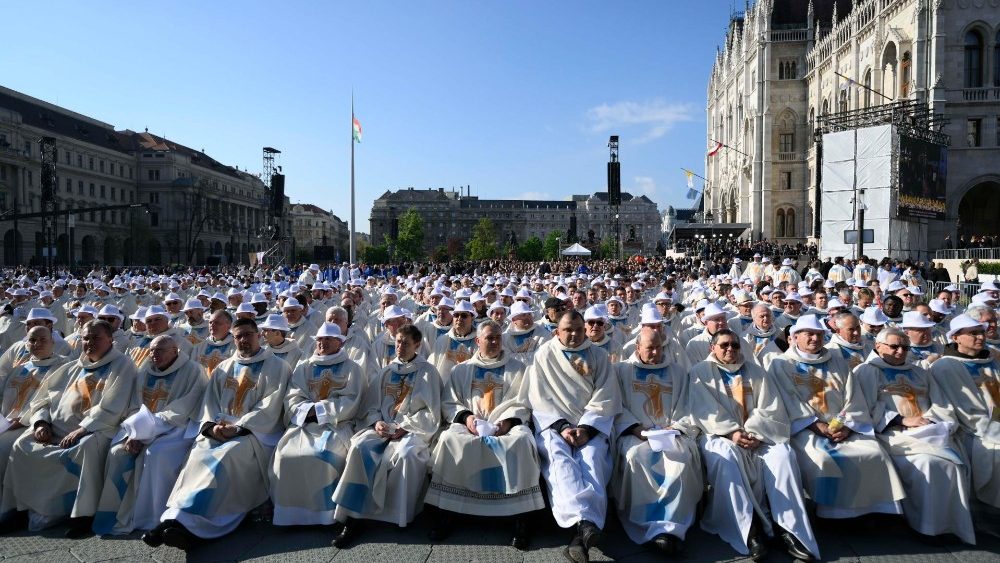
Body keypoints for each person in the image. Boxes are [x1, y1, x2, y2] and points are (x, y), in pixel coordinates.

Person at [151, 317, 291, 549]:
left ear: (259, 335)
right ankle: (174, 518)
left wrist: (238, 427)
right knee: (197, 454)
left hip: (253, 434)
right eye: (238, 337)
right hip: (219, 430)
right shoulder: (224, 368)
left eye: (248, 335)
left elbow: (270, 405)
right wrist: (211, 426)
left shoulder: (277, 366)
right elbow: (210, 402)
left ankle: (196, 525)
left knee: (226, 459)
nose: (243, 340)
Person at [0, 320, 138, 537]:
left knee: (86, 447)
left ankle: (82, 515)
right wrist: (41, 423)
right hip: (55, 430)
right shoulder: (71, 367)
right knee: (21, 444)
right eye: (85, 338)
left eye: (96, 338)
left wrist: (83, 429)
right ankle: (20, 508)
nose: (89, 342)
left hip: (98, 429)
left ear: (110, 339)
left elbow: (114, 406)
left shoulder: (122, 365)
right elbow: (42, 400)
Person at [690, 329, 818, 561]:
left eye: (735, 345)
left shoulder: (757, 371)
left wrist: (755, 432)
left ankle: (789, 529)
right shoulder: (700, 373)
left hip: (758, 435)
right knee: (725, 458)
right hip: (720, 435)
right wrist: (732, 433)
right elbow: (704, 409)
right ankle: (748, 530)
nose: (730, 349)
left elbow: (771, 407)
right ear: (713, 348)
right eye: (724, 345)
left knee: (783, 455)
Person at [769, 315, 905, 519]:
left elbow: (854, 396)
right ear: (795, 337)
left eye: (819, 334)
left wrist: (848, 425)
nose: (815, 339)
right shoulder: (781, 365)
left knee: (874, 452)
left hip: (843, 425)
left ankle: (873, 511)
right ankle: (833, 515)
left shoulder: (837, 362)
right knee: (823, 459)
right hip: (806, 428)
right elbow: (788, 402)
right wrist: (816, 426)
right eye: (809, 334)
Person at [425, 320, 543, 549]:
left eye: (498, 337)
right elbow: (450, 401)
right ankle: (448, 511)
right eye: (489, 337)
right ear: (477, 341)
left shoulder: (518, 369)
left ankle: (520, 517)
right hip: (471, 423)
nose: (495, 341)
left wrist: (506, 422)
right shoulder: (461, 369)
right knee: (451, 439)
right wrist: (468, 418)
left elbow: (524, 402)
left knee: (521, 441)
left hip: (505, 425)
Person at [853, 328, 975, 544]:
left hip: (928, 432)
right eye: (894, 346)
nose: (900, 351)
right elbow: (863, 409)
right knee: (929, 464)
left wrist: (933, 420)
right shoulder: (867, 371)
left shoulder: (920, 372)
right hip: (893, 434)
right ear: (877, 346)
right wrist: (900, 420)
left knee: (953, 463)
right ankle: (926, 526)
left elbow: (940, 403)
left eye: (905, 347)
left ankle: (948, 524)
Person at [330, 324, 441, 547]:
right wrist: (376, 422)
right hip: (382, 428)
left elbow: (432, 413)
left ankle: (397, 515)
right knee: (360, 447)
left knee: (407, 455)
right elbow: (370, 407)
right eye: (397, 342)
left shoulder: (428, 372)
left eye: (405, 343)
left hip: (411, 431)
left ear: (417, 345)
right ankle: (353, 516)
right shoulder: (386, 372)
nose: (399, 347)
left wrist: (405, 427)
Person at [524, 310, 619, 563]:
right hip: (556, 426)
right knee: (559, 461)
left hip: (590, 426)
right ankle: (585, 523)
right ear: (557, 330)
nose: (575, 334)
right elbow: (539, 397)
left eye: (579, 329)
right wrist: (564, 426)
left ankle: (583, 528)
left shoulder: (598, 355)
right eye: (568, 330)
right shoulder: (544, 354)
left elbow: (606, 394)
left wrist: (586, 427)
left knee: (593, 460)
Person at [93, 335, 206, 536]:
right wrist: (135, 432)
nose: (154, 355)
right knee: (117, 452)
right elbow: (134, 405)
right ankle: (116, 514)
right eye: (152, 350)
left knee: (156, 454)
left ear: (175, 351)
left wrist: (145, 431)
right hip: (139, 428)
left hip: (175, 427)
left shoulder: (193, 371)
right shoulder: (145, 370)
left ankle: (153, 516)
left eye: (160, 350)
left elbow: (182, 408)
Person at [612, 328, 701, 555]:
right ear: (637, 348)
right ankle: (645, 524)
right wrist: (636, 428)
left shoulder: (678, 372)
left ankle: (673, 526)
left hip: (671, 433)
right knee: (636, 457)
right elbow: (616, 404)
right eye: (649, 348)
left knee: (679, 459)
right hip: (636, 433)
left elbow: (688, 405)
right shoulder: (622, 370)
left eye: (658, 347)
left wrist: (675, 428)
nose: (654, 352)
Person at [269, 322, 365, 526]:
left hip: (336, 425)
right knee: (285, 455)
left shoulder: (352, 368)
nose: (323, 343)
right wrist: (307, 410)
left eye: (328, 339)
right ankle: (289, 515)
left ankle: (325, 514)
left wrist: (320, 410)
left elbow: (352, 400)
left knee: (322, 455)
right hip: (304, 424)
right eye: (320, 339)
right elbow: (293, 395)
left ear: (340, 342)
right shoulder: (305, 367)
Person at [930, 314, 1000, 534]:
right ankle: (990, 516)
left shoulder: (992, 361)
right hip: (972, 429)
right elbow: (965, 411)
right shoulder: (946, 367)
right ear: (957, 337)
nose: (980, 337)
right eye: (974, 333)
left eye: (981, 332)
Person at [0, 326, 70, 528]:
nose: (36, 344)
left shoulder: (63, 367)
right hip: (7, 423)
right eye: (32, 340)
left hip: (35, 424)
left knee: (5, 449)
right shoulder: (19, 368)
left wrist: (24, 419)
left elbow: (53, 401)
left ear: (53, 341)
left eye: (42, 340)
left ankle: (11, 508)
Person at [190, 309, 236, 377]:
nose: (212, 325)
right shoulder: (200, 346)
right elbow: (192, 369)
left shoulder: (235, 346)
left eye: (217, 323)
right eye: (210, 322)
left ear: (228, 326)